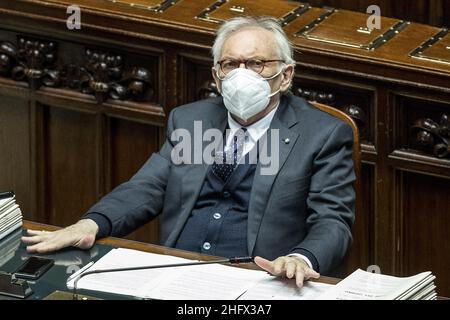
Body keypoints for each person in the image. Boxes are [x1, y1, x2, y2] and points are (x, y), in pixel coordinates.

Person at [22, 16, 355, 288]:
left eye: (255, 63)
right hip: (174, 273)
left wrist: (302, 258)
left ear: (286, 75)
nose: (241, 74)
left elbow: (332, 220)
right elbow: (150, 186)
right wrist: (93, 223)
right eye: (230, 64)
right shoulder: (191, 119)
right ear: (216, 75)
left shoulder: (322, 134)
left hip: (258, 279)